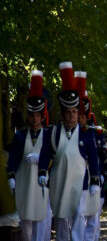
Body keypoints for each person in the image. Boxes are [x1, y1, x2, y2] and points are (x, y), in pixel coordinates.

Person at [38, 62, 100, 241]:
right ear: (63, 113)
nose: (72, 115)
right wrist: (42, 171)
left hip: (81, 182)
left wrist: (95, 179)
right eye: (68, 112)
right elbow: (45, 153)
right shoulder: (53, 132)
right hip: (59, 181)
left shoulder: (87, 134)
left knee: (79, 214)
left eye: (74, 112)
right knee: (61, 217)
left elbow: (93, 158)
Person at [7, 70, 52, 241]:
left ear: (42, 116)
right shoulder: (20, 136)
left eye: (37, 115)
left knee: (42, 220)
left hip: (42, 182)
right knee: (25, 222)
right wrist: (11, 175)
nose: (34, 118)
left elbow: (55, 158)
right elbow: (14, 157)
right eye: (31, 115)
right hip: (24, 181)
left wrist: (41, 160)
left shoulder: (49, 135)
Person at [74, 71, 107, 241]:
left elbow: (102, 154)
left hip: (93, 174)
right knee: (78, 213)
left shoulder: (96, 132)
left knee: (93, 213)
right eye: (77, 116)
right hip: (76, 176)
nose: (80, 119)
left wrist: (100, 174)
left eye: (82, 116)